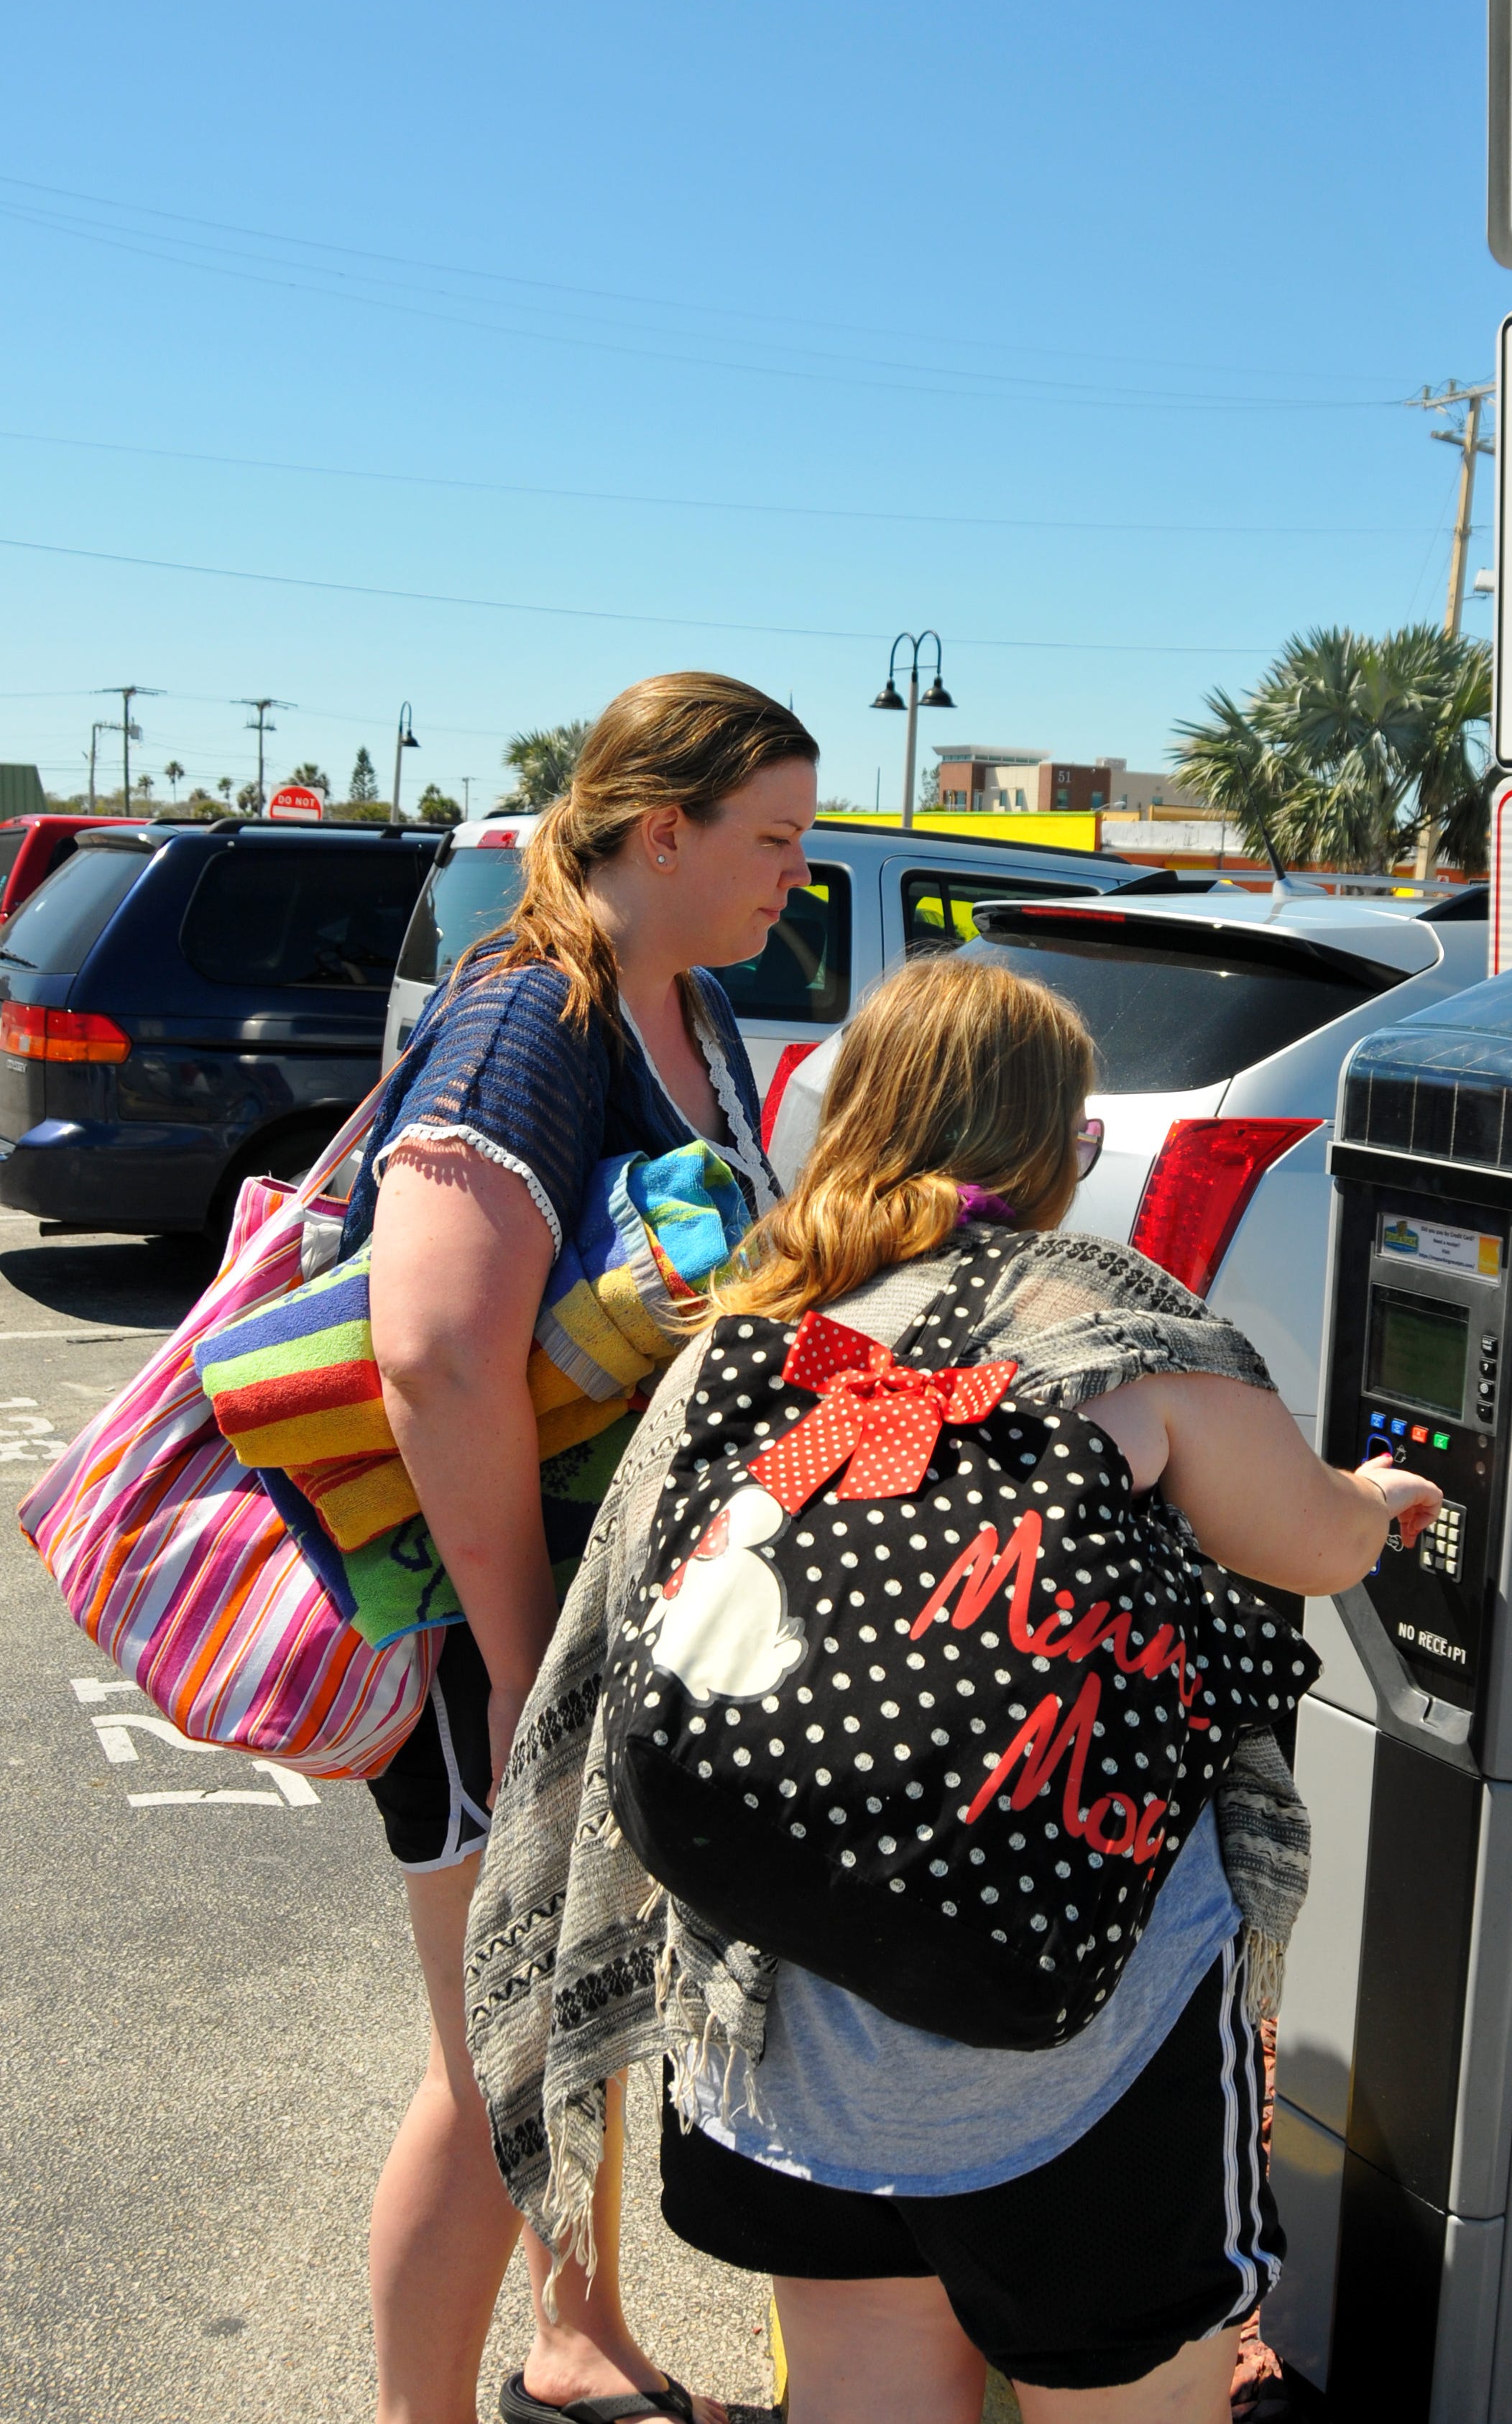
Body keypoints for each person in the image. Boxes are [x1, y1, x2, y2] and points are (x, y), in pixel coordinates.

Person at [468, 954, 1441, 2424]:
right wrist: (1377, 1498)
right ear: (1053, 1146)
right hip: (1080, 2056)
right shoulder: (1117, 1328)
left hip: (783, 2035)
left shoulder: (754, 1336)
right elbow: (1308, 1549)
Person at [347, 670, 816, 2424]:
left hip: (598, 1624)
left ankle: (579, 2340)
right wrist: (523, 1657)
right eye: (769, 838)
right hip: (496, 1633)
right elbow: (434, 1347)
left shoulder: (685, 1009)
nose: (794, 872)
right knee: (492, 2067)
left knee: (575, 2022)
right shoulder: (526, 1023)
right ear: (659, 830)